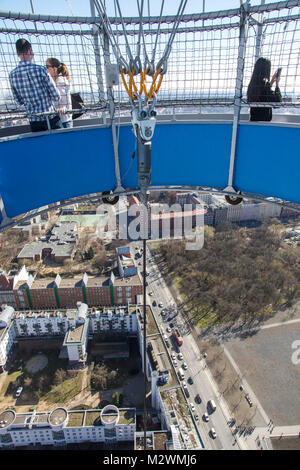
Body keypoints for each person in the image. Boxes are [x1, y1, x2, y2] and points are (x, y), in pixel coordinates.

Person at [9, 38, 61, 132]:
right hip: (51, 118)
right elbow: (56, 96)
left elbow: (19, 101)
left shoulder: (12, 75)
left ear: (17, 53)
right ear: (30, 51)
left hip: (34, 121)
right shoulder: (41, 70)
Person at [247, 57, 282, 122]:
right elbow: (278, 103)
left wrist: (271, 82)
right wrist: (277, 84)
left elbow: (263, 94)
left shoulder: (252, 85)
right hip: (264, 123)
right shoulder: (265, 86)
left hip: (253, 121)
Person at [46, 58, 73, 128]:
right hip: (58, 119)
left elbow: (64, 100)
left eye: (47, 67)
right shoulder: (53, 81)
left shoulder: (61, 81)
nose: (46, 69)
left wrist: (63, 108)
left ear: (54, 69)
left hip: (64, 120)